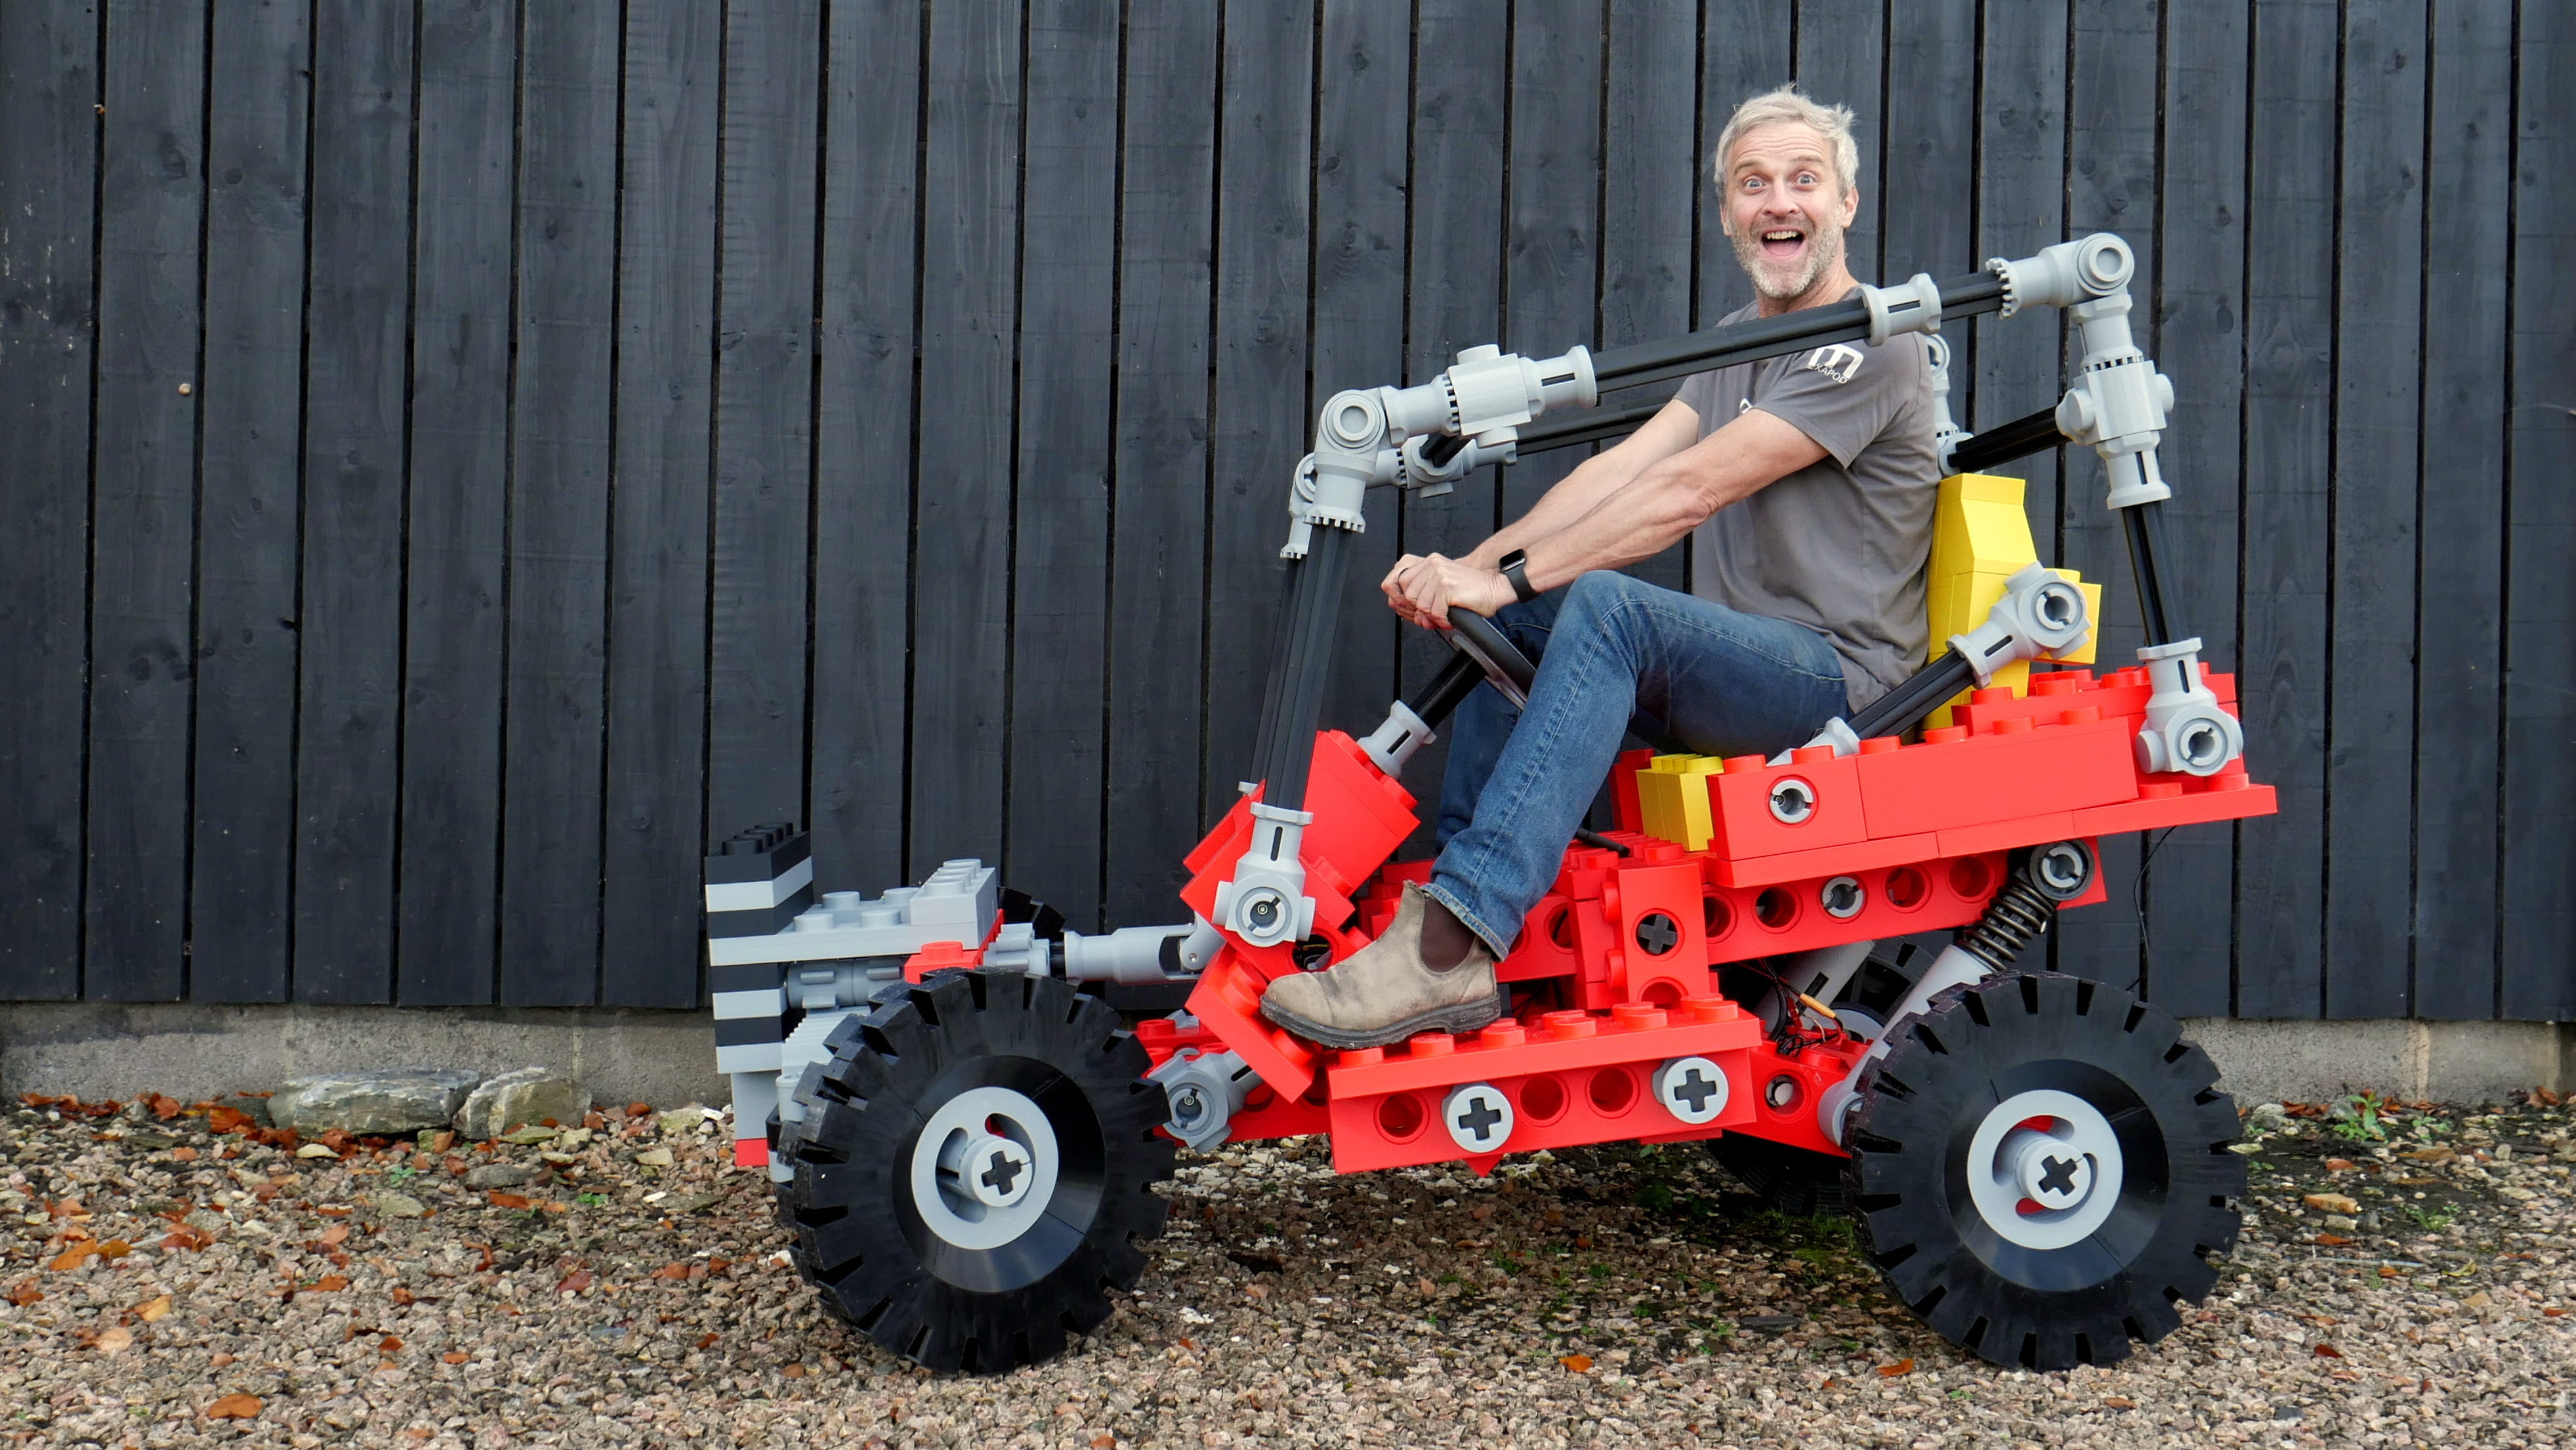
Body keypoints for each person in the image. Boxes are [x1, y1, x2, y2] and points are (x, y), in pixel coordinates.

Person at [1258, 85, 1942, 1050]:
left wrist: (1510, 577)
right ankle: (1470, 912)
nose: (1777, 202)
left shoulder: (1874, 344)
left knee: (1603, 605)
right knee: (1520, 623)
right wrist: (1477, 569)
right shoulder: (1741, 342)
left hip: (1835, 681)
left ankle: (1448, 943)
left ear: (1845, 205)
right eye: (1753, 184)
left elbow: (1690, 488)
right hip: (1739, 667)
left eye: (1803, 180)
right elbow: (1623, 468)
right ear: (1725, 213)